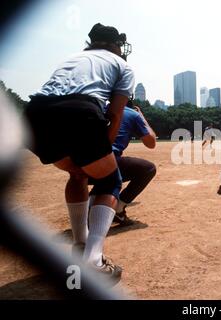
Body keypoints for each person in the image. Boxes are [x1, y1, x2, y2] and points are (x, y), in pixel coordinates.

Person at [23, 23, 135, 282]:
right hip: (78, 113)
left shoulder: (73, 58)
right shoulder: (123, 65)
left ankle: (80, 245)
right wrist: (103, 152)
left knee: (77, 174)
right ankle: (93, 261)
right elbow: (115, 114)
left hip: (34, 115)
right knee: (110, 179)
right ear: (115, 44)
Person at [89, 100, 157, 226]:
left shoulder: (97, 109)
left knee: (109, 170)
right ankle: (118, 209)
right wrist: (141, 116)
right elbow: (151, 142)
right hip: (106, 164)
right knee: (149, 169)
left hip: (81, 165)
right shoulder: (131, 113)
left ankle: (90, 205)